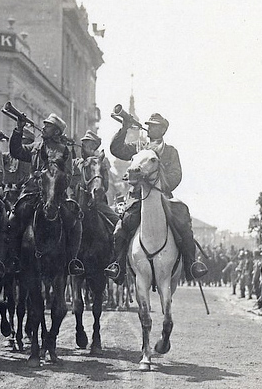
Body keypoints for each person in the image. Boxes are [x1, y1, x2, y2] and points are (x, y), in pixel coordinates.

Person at [105, 112, 194, 285]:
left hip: (163, 198)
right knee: (120, 229)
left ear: (163, 130)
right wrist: (124, 127)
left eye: (155, 125)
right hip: (138, 198)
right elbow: (116, 149)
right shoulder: (139, 147)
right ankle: (118, 266)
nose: (151, 128)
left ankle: (191, 265)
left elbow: (177, 174)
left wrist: (159, 186)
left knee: (183, 224)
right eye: (150, 125)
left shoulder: (170, 151)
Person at [4, 112, 82, 277]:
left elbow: (68, 175)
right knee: (13, 219)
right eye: (45, 125)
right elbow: (16, 151)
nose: (44, 127)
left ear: (56, 132)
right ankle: (13, 258)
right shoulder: (36, 147)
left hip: (56, 196)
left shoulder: (64, 151)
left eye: (48, 126)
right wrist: (19, 129)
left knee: (75, 223)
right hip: (32, 192)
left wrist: (54, 179)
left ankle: (71, 262)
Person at [72, 130, 117, 228]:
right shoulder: (77, 163)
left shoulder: (100, 163)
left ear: (94, 147)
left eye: (89, 145)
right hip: (75, 201)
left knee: (118, 223)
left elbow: (105, 185)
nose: (85, 147)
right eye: (84, 144)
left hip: (98, 202)